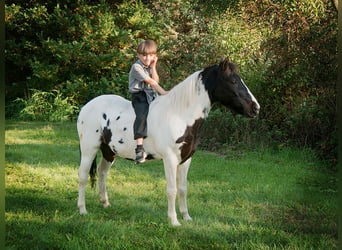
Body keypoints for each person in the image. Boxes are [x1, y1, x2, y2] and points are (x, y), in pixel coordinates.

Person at [128, 40, 168, 164]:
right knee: (141, 115)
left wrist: (153, 66)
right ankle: (139, 148)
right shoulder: (137, 67)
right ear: (138, 55)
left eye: (151, 55)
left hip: (151, 94)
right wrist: (164, 93)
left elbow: (156, 78)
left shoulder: (149, 66)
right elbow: (151, 82)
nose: (147, 58)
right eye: (144, 55)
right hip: (140, 95)